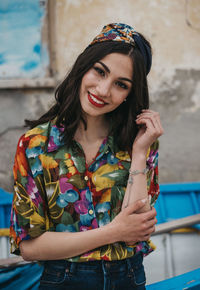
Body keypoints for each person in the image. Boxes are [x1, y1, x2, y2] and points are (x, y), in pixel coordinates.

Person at [10, 23, 163, 289]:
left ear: (130, 94)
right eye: (99, 71)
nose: (103, 90)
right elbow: (30, 246)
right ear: (84, 67)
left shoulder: (139, 141)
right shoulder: (35, 145)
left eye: (121, 84)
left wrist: (139, 153)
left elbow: (134, 235)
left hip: (128, 278)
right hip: (62, 280)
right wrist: (114, 232)